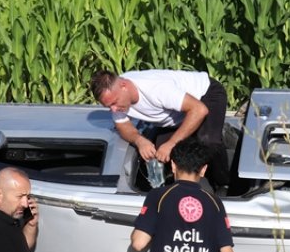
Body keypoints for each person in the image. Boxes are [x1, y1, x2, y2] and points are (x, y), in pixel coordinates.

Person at [90, 68, 230, 188]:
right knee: (159, 153)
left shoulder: (156, 89)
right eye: (108, 106)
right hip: (177, 115)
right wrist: (140, 140)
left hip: (204, 96)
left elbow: (199, 110)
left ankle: (223, 184)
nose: (113, 109)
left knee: (208, 140)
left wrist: (172, 143)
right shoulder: (117, 100)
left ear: (124, 85)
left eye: (114, 103)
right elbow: (123, 126)